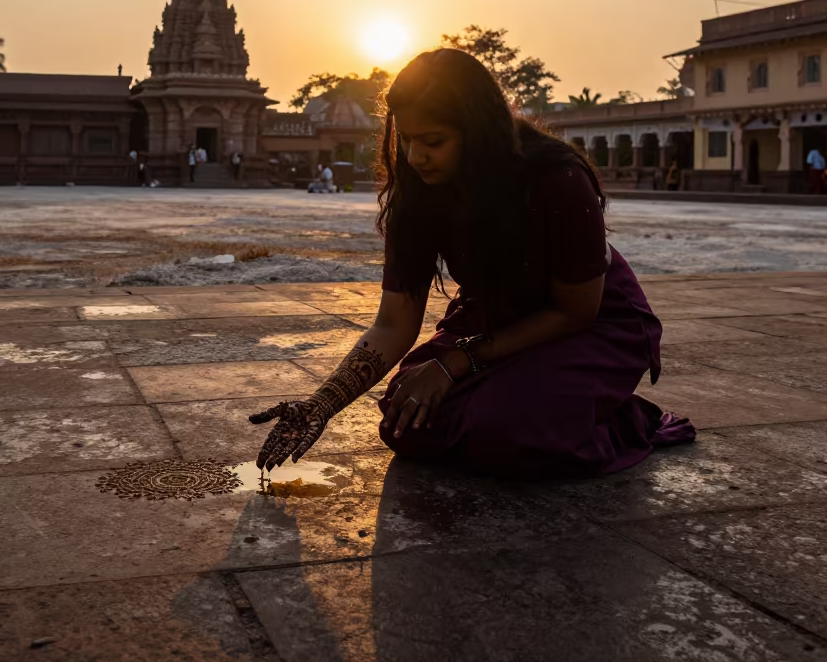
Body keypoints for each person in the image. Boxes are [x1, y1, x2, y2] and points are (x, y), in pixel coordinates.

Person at [250, 48, 695, 478]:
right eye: (405, 138)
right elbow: (393, 325)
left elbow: (576, 310)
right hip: (496, 319)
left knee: (509, 431)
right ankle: (547, 405)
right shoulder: (420, 191)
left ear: (478, 130)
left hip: (593, 325)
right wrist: (320, 405)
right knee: (405, 420)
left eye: (433, 141)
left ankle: (627, 420)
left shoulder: (556, 178)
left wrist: (453, 364)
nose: (414, 157)